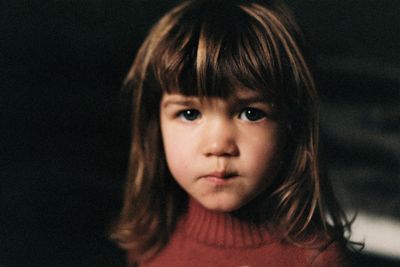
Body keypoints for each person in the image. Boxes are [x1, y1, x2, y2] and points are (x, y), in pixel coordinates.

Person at [110, 0, 356, 266]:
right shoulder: (149, 242)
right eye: (190, 114)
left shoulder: (316, 257)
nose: (218, 145)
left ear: (291, 126)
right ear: (155, 127)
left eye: (251, 113)